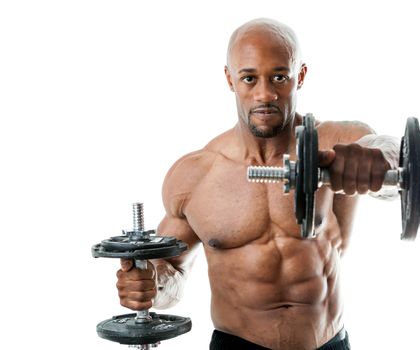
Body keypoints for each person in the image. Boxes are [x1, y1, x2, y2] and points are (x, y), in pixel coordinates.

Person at [116, 18, 399, 350]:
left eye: (280, 77)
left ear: (301, 76)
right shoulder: (195, 177)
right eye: (249, 79)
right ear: (229, 79)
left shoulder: (336, 144)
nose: (265, 94)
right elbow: (172, 273)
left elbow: (393, 160)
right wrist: (151, 285)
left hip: (328, 343)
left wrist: (379, 161)